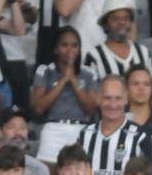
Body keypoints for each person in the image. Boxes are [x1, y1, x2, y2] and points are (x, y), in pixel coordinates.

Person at [79, 76, 152, 175]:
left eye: (118, 98)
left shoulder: (142, 137)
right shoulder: (85, 135)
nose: (113, 104)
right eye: (107, 98)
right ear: (98, 99)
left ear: (126, 99)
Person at [33, 27, 101, 163]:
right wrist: (63, 81)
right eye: (64, 45)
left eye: (74, 45)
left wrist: (74, 81)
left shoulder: (89, 73)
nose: (70, 50)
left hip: (82, 129)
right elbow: (38, 108)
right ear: (56, 49)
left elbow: (92, 110)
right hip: (53, 129)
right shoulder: (45, 71)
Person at [83, 0, 152, 84]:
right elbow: (90, 94)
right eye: (115, 19)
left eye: (126, 18)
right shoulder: (94, 56)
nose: (122, 22)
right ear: (105, 25)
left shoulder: (143, 52)